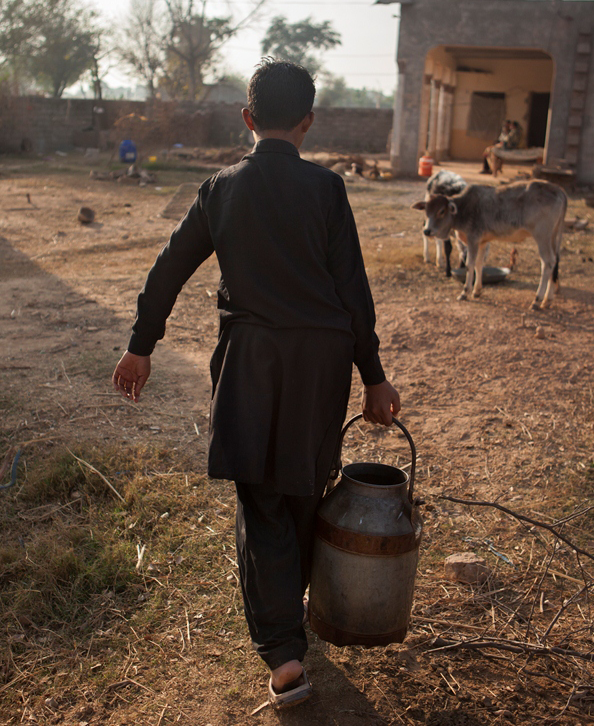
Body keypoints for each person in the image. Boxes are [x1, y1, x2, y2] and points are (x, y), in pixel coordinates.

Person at [112, 59, 400, 708]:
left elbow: (168, 269)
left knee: (261, 496)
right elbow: (352, 292)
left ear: (247, 120)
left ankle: (285, 656)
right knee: (301, 483)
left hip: (253, 360)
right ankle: (290, 620)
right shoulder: (327, 190)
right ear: (309, 122)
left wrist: (140, 346)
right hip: (322, 364)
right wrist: (374, 377)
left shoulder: (221, 189)